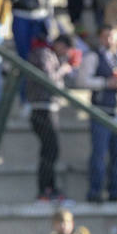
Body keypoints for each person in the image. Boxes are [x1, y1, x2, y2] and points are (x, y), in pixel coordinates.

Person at [76, 25, 117, 203]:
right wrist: (105, 83)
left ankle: (115, 191)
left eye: (113, 36)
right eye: (106, 36)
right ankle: (95, 191)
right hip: (101, 112)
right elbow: (81, 81)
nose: (110, 40)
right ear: (101, 38)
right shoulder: (93, 57)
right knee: (99, 155)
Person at [26, 33, 75, 201]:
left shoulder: (52, 56)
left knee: (51, 151)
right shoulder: (43, 53)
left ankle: (50, 188)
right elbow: (48, 79)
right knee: (50, 150)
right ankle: (44, 190)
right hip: (42, 109)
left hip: (50, 108)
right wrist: (63, 69)